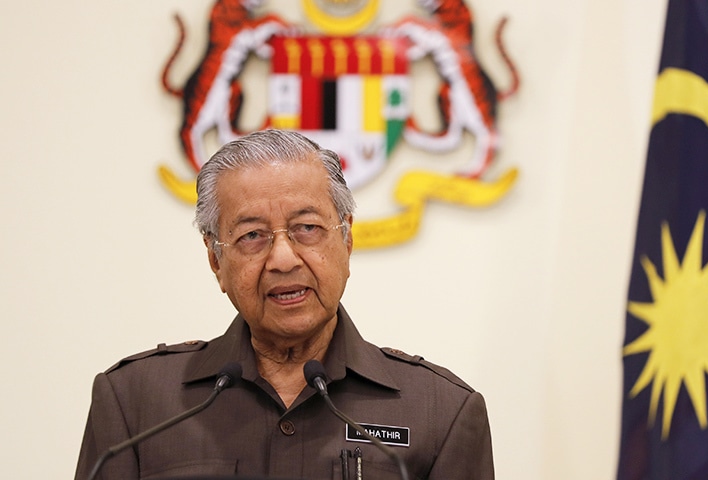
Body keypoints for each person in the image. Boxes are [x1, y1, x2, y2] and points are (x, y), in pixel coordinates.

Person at [74, 130, 494, 480]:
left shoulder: (441, 413)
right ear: (216, 259)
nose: (282, 259)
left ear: (346, 240)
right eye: (252, 235)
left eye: (307, 228)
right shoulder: (136, 402)